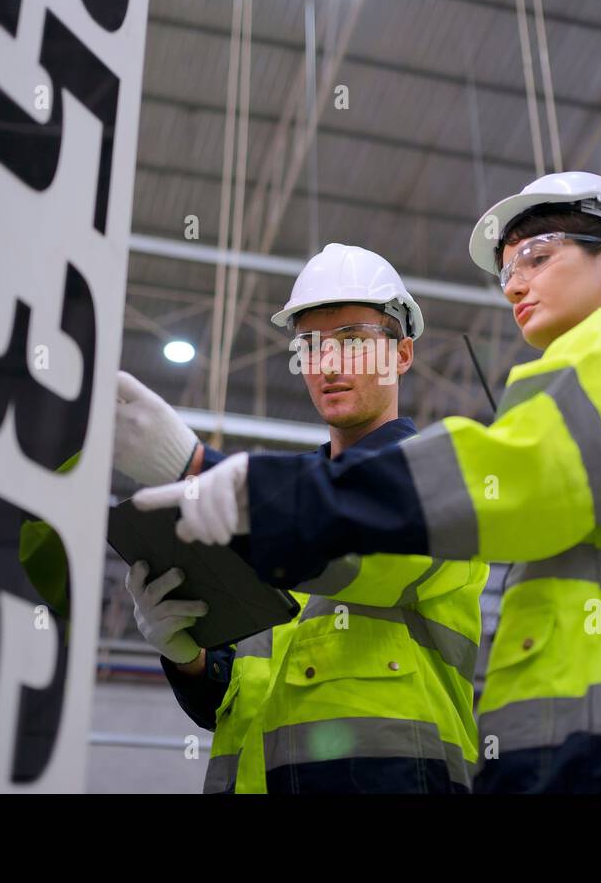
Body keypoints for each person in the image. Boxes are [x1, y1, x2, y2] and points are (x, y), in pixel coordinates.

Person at [135, 173, 601, 793]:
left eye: (536, 257)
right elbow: (247, 687)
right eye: (509, 269)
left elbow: (525, 476)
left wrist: (224, 480)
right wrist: (189, 655)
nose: (514, 284)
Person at [118, 243, 489, 793]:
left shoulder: (442, 472)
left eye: (354, 341)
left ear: (403, 354)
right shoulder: (276, 503)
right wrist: (188, 655)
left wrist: (196, 467)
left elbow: (354, 544)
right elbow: (231, 699)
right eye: (311, 345)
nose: (329, 364)